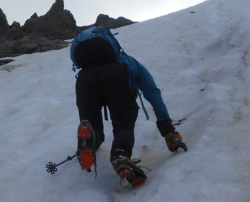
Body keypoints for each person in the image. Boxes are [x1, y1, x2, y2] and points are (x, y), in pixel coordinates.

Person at [71, 26, 186, 186]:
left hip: (84, 80)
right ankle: (120, 154)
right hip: (115, 75)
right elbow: (152, 93)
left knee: (92, 125)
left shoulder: (84, 68)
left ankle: (89, 136)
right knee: (123, 124)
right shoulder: (128, 61)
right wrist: (168, 130)